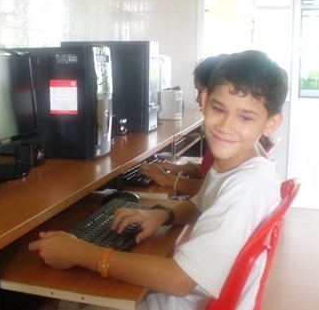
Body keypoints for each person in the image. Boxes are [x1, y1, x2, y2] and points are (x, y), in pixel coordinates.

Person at [28, 50, 289, 310]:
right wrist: (160, 215)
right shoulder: (242, 162)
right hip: (181, 297)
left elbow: (179, 281)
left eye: (245, 117)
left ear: (271, 123)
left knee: (54, 299)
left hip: (174, 300)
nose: (226, 126)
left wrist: (80, 253)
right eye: (219, 109)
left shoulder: (244, 190)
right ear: (206, 100)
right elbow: (200, 204)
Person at [137, 54, 228, 197]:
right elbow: (214, 175)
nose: (198, 99)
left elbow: (212, 191)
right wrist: (193, 169)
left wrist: (167, 179)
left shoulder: (226, 139)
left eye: (200, 91)